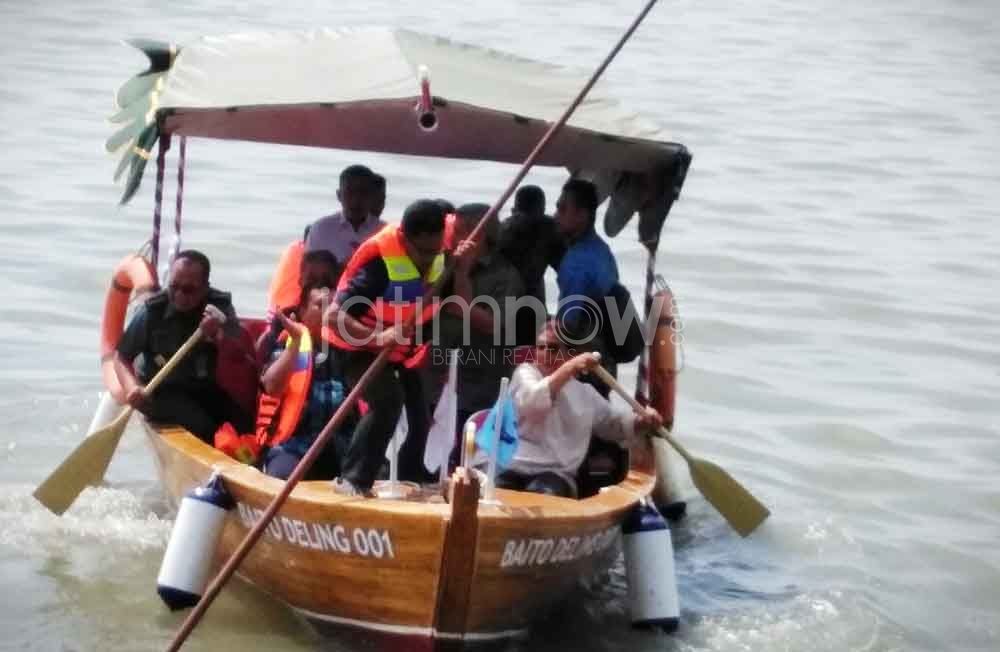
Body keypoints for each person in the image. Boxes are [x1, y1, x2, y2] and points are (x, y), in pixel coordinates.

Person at [323, 200, 449, 495]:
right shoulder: (378, 266)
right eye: (423, 253)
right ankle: (353, 480)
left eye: (435, 252)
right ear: (405, 238)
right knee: (387, 401)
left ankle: (412, 472)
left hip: (398, 351)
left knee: (420, 410)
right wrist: (378, 338)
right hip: (355, 347)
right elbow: (332, 316)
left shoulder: (442, 256)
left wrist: (463, 263)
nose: (429, 261)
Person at [497, 321, 662, 498]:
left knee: (542, 492)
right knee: (497, 491)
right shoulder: (524, 374)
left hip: (555, 474)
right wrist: (570, 368)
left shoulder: (585, 394)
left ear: (571, 354)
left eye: (552, 348)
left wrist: (642, 421)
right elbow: (532, 402)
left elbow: (615, 425)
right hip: (512, 466)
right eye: (540, 347)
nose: (544, 354)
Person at [113, 250, 253, 443]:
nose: (179, 295)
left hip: (203, 387)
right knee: (203, 427)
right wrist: (132, 388)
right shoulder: (153, 311)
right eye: (174, 287)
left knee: (244, 424)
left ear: (205, 287)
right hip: (160, 391)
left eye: (189, 289)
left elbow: (240, 353)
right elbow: (121, 357)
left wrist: (219, 336)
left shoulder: (220, 307)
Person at [442, 204, 524, 463]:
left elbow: (491, 323)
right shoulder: (443, 264)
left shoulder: (506, 276)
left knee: (469, 459)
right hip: (441, 380)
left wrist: (463, 275)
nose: (452, 239)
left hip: (480, 383)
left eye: (459, 232)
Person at [258, 284, 354, 480]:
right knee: (281, 476)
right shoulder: (288, 345)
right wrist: (294, 345)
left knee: (373, 477)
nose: (328, 312)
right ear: (302, 311)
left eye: (334, 306)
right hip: (294, 446)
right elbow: (271, 387)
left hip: (341, 448)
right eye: (320, 305)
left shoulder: (350, 351)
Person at [553, 178, 621, 389]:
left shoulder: (577, 262)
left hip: (584, 367)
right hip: (607, 362)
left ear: (582, 215)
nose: (556, 216)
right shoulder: (603, 251)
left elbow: (567, 325)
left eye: (563, 209)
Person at [498, 185, 565, 345]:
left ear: (514, 209)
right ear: (542, 210)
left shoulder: (502, 229)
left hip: (501, 306)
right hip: (532, 307)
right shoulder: (550, 229)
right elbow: (566, 270)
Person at [257, 249, 341, 362]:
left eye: (326, 280)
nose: (319, 284)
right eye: (312, 279)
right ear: (300, 280)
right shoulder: (284, 319)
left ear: (337, 281)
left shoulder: (345, 320)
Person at [304, 164, 385, 263]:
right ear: (339, 195)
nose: (356, 200)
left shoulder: (384, 232)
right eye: (349, 192)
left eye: (363, 193)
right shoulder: (321, 229)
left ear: (372, 196)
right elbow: (309, 272)